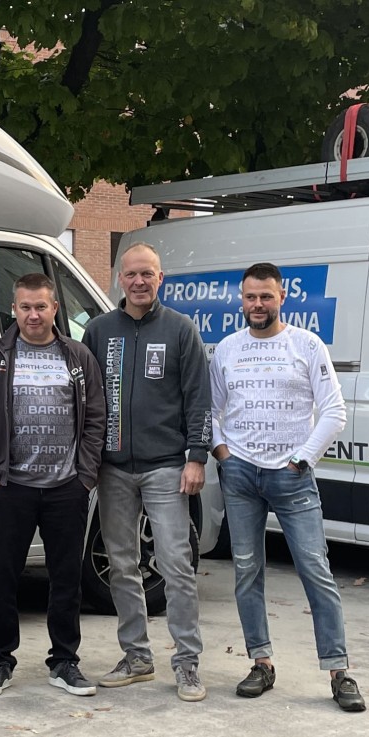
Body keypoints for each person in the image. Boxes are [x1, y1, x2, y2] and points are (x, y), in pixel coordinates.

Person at [209, 262, 365, 712]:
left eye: (266, 296)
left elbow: (334, 411)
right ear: (241, 300)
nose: (257, 304)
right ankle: (261, 663)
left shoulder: (307, 345)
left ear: (282, 298)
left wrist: (302, 459)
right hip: (240, 475)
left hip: (292, 477)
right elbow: (211, 411)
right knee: (246, 571)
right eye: (250, 297)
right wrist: (223, 454)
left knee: (315, 570)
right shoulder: (227, 349)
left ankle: (338, 671)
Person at [82, 242, 212, 701]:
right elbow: (85, 399)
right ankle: (137, 657)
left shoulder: (180, 330)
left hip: (167, 468)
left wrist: (197, 456)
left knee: (176, 565)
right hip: (113, 469)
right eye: (131, 274)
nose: (139, 282)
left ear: (161, 279)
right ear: (120, 279)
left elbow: (199, 397)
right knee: (122, 565)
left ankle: (187, 663)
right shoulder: (99, 331)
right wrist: (88, 458)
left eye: (147, 274)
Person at [0, 273, 106, 698]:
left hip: (67, 487)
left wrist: (85, 477)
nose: (33, 315)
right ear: (14, 309)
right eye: (25, 307)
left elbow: (96, 418)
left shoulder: (77, 356)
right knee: (2, 578)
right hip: (11, 487)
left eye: (41, 307)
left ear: (54, 309)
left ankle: (64, 661)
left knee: (66, 579)